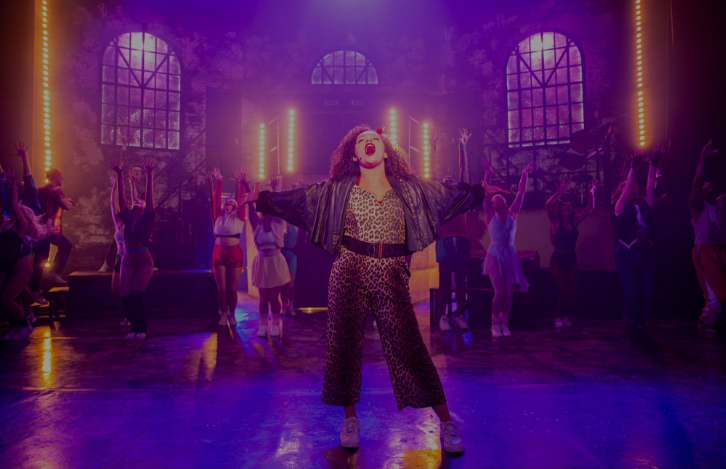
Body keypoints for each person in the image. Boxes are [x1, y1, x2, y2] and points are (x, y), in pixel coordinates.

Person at [242, 124, 485, 454]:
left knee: (410, 348)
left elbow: (449, 195)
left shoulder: (409, 189)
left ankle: (445, 422)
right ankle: (350, 420)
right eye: (361, 140)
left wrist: (480, 192)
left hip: (391, 273)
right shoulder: (337, 190)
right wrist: (265, 199)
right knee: (343, 348)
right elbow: (299, 199)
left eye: (375, 139)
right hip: (349, 270)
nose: (369, 141)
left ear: (385, 151)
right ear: (354, 154)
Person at [612, 145, 662, 347]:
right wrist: (633, 167)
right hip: (626, 253)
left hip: (645, 251)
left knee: (648, 292)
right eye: (625, 187)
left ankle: (640, 325)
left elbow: (649, 187)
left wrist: (654, 164)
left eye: (632, 186)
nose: (630, 188)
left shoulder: (644, 204)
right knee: (633, 292)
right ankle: (630, 324)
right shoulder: (619, 207)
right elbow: (630, 186)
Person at [482, 158, 536, 338]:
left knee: (510, 293)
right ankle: (494, 324)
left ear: (505, 202)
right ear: (492, 204)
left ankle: (504, 323)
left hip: (510, 254)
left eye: (501, 198)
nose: (498, 199)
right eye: (496, 198)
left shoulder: (513, 213)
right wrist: (488, 172)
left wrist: (525, 173)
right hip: (495, 253)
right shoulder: (490, 215)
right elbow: (485, 191)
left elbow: (521, 192)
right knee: (499, 292)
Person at [545, 177, 601, 328]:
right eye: (564, 205)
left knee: (574, 291)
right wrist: (558, 194)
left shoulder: (575, 221)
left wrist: (592, 191)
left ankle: (565, 315)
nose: (567, 206)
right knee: (564, 291)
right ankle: (557, 316)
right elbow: (547, 205)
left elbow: (589, 208)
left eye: (569, 204)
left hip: (571, 258)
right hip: (557, 259)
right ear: (560, 208)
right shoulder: (555, 222)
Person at [110, 158, 156, 340]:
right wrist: (120, 175)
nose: (138, 201)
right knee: (126, 297)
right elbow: (121, 198)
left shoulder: (148, 217)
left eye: (140, 201)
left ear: (144, 207)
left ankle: (143, 328)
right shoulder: (127, 217)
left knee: (137, 296)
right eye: (136, 201)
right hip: (127, 260)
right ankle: (134, 327)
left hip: (144, 260)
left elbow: (150, 196)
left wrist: (150, 175)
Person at [436, 128, 473, 331]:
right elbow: (432, 176)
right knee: (444, 281)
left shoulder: (461, 198)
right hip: (445, 240)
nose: (449, 179)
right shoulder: (439, 201)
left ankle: (459, 316)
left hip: (461, 240)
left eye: (451, 179)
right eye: (445, 179)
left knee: (460, 280)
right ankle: (443, 316)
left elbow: (463, 171)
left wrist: (463, 147)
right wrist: (432, 148)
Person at [246, 175, 290, 337]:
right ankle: (263, 325)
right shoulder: (256, 222)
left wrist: (275, 188)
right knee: (263, 298)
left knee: (273, 297)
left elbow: (279, 206)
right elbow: (250, 208)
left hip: (275, 261)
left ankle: (276, 325)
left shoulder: (277, 221)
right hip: (262, 261)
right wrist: (247, 187)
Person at [689, 140, 726, 331]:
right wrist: (703, 158)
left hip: (721, 249)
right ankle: (705, 322)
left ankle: (719, 319)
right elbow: (698, 181)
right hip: (705, 251)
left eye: (709, 183)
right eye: (705, 185)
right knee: (717, 295)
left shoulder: (720, 203)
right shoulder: (697, 205)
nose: (707, 184)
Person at [205, 167, 246, 327]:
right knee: (221, 288)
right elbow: (215, 201)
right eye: (226, 202)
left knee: (232, 289)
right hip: (219, 252)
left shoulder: (239, 217)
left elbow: (242, 200)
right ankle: (223, 313)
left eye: (231, 202)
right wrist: (219, 181)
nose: (228, 203)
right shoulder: (218, 217)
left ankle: (232, 314)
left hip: (234, 253)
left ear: (235, 205)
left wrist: (241, 184)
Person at [0, 169, 39, 341]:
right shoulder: (3, 225)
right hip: (5, 266)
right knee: (2, 300)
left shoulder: (19, 227)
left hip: (20, 266)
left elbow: (14, 205)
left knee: (6, 299)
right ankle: (16, 324)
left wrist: (13, 185)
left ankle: (25, 325)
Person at [28, 167, 74, 295]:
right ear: (55, 177)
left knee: (40, 260)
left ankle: (34, 291)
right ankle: (53, 273)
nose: (62, 178)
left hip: (39, 229)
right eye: (61, 176)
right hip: (51, 229)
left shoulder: (41, 190)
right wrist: (70, 201)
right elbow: (67, 206)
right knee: (66, 246)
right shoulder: (56, 191)